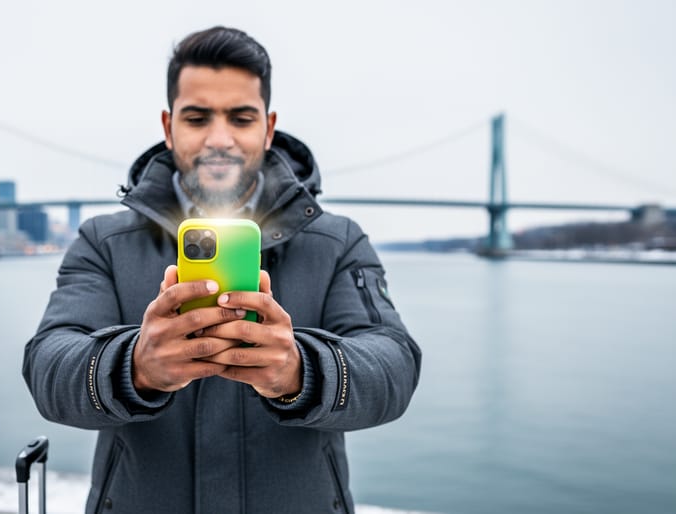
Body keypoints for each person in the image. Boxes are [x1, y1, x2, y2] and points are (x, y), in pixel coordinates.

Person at [22, 26, 422, 514]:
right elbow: (47, 365)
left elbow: (395, 367)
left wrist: (303, 371)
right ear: (169, 128)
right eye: (197, 118)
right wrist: (133, 366)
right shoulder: (103, 242)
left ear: (268, 127)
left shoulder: (337, 242)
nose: (219, 138)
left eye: (240, 117)